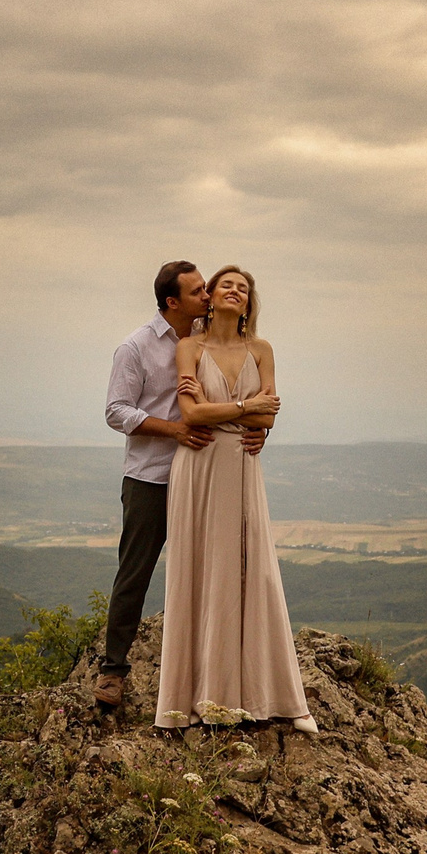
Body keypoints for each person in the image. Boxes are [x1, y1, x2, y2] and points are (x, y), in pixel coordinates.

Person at [97, 260, 267, 715]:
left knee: (213, 572)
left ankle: (212, 672)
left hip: (208, 473)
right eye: (198, 292)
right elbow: (116, 411)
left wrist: (259, 430)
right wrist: (174, 430)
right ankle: (112, 671)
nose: (208, 297)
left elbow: (246, 396)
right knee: (135, 572)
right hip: (151, 476)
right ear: (172, 302)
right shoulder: (136, 347)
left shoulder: (204, 341)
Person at [152, 266, 316, 733]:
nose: (234, 291)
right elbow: (193, 413)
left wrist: (239, 416)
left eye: (243, 288)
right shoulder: (190, 347)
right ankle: (193, 701)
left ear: (248, 302)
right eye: (225, 284)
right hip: (199, 465)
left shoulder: (261, 349)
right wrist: (247, 409)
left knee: (253, 569)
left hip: (243, 465)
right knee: (202, 570)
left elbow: (268, 423)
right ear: (211, 297)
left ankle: (275, 695)